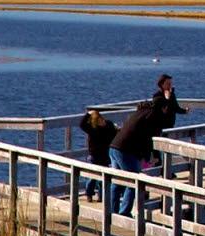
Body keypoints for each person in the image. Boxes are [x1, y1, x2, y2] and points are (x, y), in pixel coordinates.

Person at [109, 74, 185, 218]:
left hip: (114, 146)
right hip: (126, 150)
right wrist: (152, 156)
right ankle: (124, 212)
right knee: (134, 182)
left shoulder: (140, 112)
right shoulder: (152, 116)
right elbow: (162, 125)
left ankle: (112, 212)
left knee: (117, 182)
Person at [78, 106, 118, 201]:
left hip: (105, 154)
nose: (101, 121)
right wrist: (88, 114)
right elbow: (81, 124)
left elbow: (115, 133)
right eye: (98, 120)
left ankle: (101, 196)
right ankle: (89, 194)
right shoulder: (92, 129)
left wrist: (116, 129)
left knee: (103, 178)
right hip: (95, 155)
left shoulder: (109, 125)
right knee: (92, 176)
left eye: (101, 119)